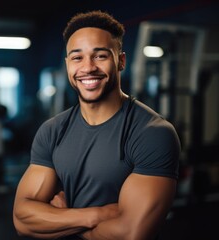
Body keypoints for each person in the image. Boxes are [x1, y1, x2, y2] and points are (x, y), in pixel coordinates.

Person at [13, 10, 181, 240]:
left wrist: (59, 218)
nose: (87, 67)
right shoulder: (52, 130)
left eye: (100, 56)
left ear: (120, 61)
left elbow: (131, 233)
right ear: (67, 64)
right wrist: (97, 215)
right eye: (77, 57)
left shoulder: (152, 133)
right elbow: (22, 220)